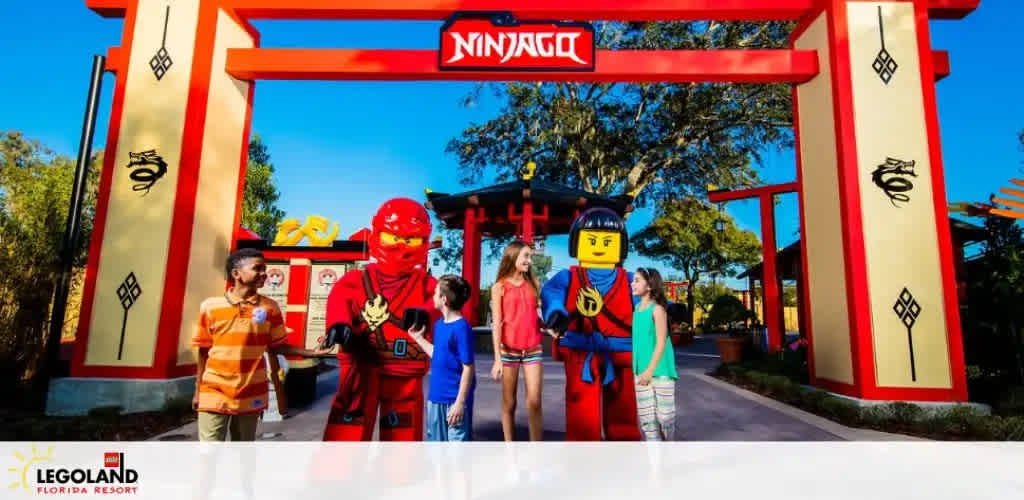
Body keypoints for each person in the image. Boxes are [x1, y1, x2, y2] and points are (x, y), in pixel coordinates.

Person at [320, 198, 439, 442]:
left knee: (402, 426)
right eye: (392, 238)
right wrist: (339, 324)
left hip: (404, 369)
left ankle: (399, 472)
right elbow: (340, 299)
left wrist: (426, 312)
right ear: (377, 236)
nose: (401, 247)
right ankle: (339, 471)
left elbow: (443, 304)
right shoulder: (355, 279)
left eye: (411, 240)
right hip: (360, 365)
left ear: (424, 241)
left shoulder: (427, 284)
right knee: (349, 421)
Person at [191, 248, 330, 442]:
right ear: (236, 273)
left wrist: (312, 352)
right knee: (209, 452)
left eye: (265, 269)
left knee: (244, 451)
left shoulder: (270, 307)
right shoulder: (210, 306)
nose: (264, 274)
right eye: (257, 268)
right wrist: (198, 390)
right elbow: (204, 350)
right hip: (214, 390)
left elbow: (276, 346)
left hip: (252, 390)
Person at [541, 207, 642, 441]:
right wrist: (556, 312)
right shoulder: (569, 276)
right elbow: (552, 293)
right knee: (581, 413)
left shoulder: (629, 279)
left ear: (620, 246)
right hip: (581, 351)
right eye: (592, 240)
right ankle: (583, 458)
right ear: (577, 243)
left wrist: (665, 310)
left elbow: (646, 299)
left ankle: (625, 451)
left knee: (624, 408)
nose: (599, 247)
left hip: (621, 352)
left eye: (608, 242)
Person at [489, 241, 546, 441]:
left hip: (533, 348)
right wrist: (497, 359)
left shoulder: (533, 284)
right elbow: (497, 324)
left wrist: (549, 328)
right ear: (513, 257)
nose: (529, 261)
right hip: (508, 350)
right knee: (509, 403)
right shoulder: (499, 287)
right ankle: (509, 448)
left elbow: (535, 316)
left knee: (534, 401)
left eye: (530, 257)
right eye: (526, 256)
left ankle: (536, 448)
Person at [408, 275, 476, 441]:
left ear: (444, 299)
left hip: (453, 401)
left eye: (435, 293)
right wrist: (418, 339)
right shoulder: (439, 325)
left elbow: (468, 368)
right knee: (437, 452)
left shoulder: (461, 328)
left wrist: (460, 403)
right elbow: (439, 354)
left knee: (456, 455)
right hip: (435, 398)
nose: (432, 296)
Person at [630, 267, 678, 441]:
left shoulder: (657, 310)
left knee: (665, 418)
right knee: (647, 423)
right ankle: (655, 466)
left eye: (636, 280)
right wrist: (639, 371)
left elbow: (661, 342)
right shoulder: (636, 309)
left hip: (660, 371)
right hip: (640, 373)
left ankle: (669, 448)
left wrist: (650, 370)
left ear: (649, 285)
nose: (632, 283)